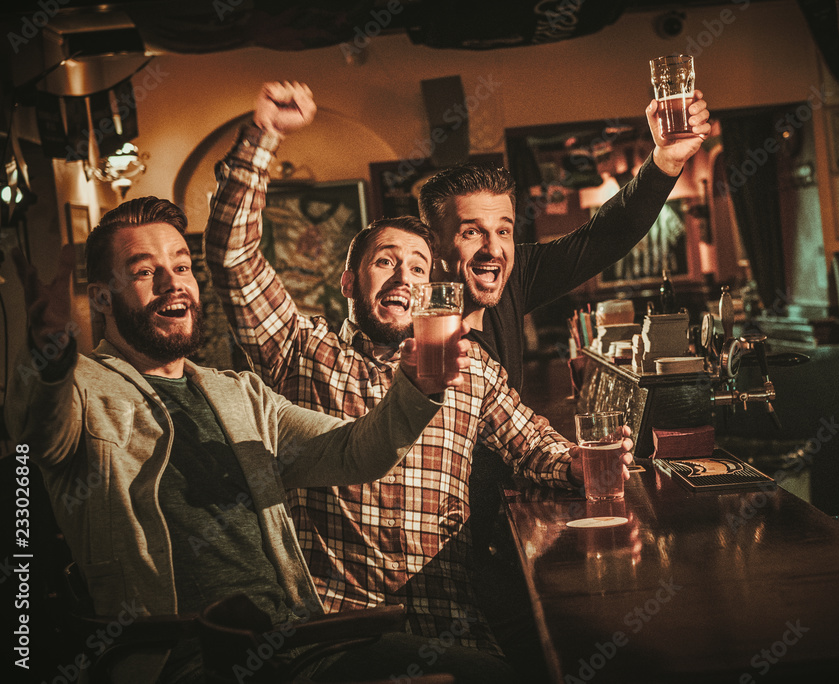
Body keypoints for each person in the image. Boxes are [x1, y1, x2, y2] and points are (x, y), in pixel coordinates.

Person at [204, 82, 633, 677]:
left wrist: (579, 462)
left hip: (450, 617)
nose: (401, 277)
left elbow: (534, 443)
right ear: (350, 282)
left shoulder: (466, 364)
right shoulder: (302, 352)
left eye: (416, 267)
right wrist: (264, 137)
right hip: (340, 630)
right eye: (384, 261)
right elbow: (232, 258)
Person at [3, 197, 503, 684]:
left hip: (298, 645)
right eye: (143, 271)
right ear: (102, 297)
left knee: (498, 675)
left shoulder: (238, 393)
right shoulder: (83, 389)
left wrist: (415, 387)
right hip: (179, 658)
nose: (171, 283)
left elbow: (356, 452)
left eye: (181, 267)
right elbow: (37, 428)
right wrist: (49, 359)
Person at [418, 95, 711, 392]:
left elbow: (603, 239)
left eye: (503, 231)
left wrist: (666, 161)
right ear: (435, 244)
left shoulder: (514, 277)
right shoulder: (412, 332)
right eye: (471, 232)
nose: (493, 249)